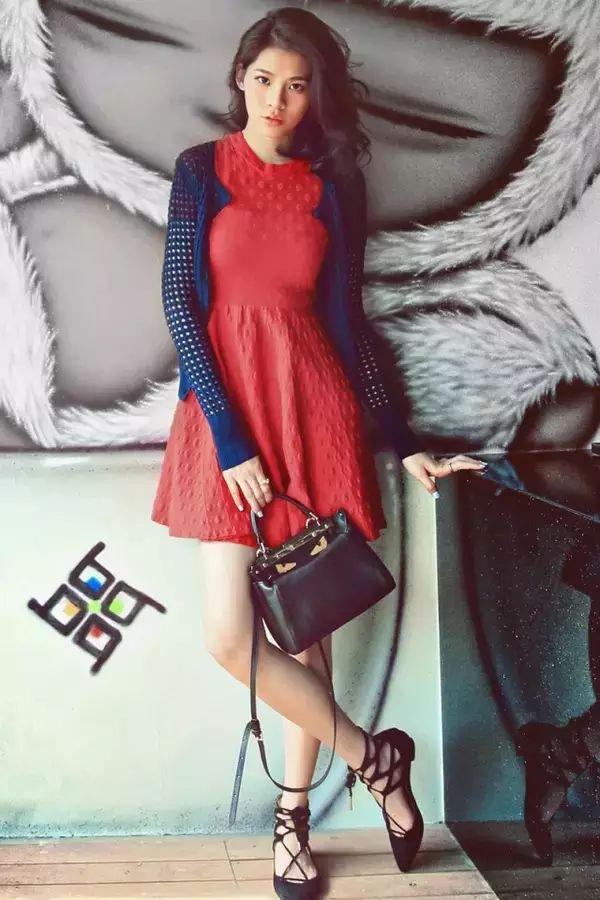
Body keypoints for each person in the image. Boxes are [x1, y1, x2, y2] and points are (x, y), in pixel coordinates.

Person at [151, 7, 486, 897]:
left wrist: (403, 442)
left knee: (307, 635)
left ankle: (292, 820)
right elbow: (181, 303)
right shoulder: (200, 170)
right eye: (264, 80)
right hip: (226, 417)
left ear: (316, 96)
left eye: (296, 86)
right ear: (241, 79)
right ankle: (377, 760)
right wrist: (231, 440)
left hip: (315, 407)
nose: (277, 100)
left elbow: (347, 323)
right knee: (230, 637)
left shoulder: (333, 185)